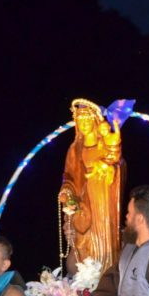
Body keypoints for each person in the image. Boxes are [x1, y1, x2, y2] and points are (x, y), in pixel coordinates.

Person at [58, 98, 129, 275]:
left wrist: (107, 168)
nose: (83, 124)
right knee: (82, 242)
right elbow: (69, 177)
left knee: (103, 237)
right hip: (83, 204)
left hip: (103, 200)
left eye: (87, 120)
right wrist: (67, 192)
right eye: (80, 120)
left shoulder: (105, 143)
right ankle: (85, 278)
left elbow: (118, 165)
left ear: (95, 121)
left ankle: (106, 274)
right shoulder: (74, 150)